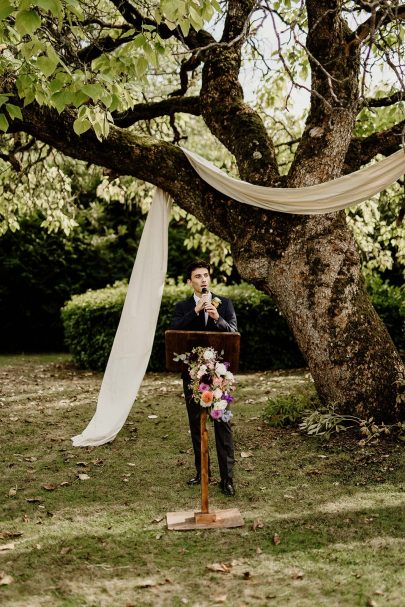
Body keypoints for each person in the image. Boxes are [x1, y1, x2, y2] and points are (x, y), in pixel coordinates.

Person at [171, 260, 238, 497]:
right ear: (190, 282)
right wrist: (196, 311)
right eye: (197, 276)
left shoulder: (225, 304)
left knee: (223, 425)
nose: (203, 279)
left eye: (206, 275)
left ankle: (227, 478)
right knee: (197, 424)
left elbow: (233, 333)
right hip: (192, 376)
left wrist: (217, 318)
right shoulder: (182, 307)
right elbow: (174, 330)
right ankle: (202, 473)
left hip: (219, 377)